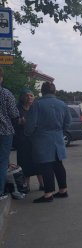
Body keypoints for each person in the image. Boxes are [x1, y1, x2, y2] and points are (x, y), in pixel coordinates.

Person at [24, 82, 71, 203]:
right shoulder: (62, 104)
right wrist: (60, 131)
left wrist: (28, 134)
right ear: (54, 91)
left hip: (42, 138)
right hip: (58, 137)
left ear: (42, 92)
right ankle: (63, 190)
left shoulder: (37, 104)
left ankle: (48, 194)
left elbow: (31, 124)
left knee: (46, 166)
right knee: (58, 164)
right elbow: (68, 122)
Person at [14, 89, 44, 193]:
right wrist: (19, 122)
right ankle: (26, 185)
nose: (29, 98)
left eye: (31, 96)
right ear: (22, 97)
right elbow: (12, 121)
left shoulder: (36, 107)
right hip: (22, 140)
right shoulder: (17, 108)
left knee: (38, 161)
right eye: (27, 96)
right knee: (24, 163)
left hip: (35, 139)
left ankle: (42, 184)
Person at [0, 68, 20, 201]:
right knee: (2, 161)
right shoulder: (6, 94)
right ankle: (1, 191)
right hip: (5, 131)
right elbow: (14, 114)